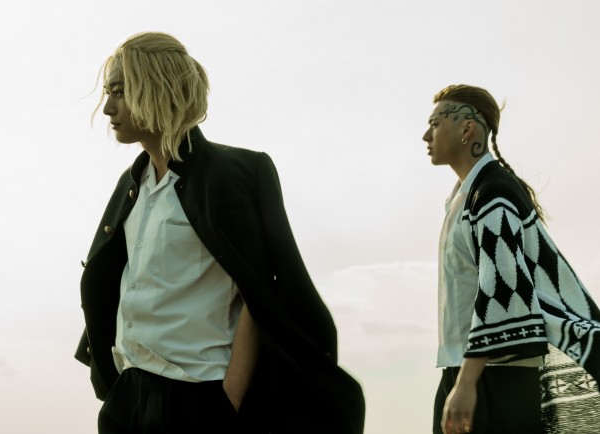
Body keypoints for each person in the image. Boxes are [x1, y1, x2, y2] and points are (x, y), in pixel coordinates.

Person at [73, 32, 365, 434]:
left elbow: (260, 290)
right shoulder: (131, 184)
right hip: (129, 395)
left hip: (199, 396)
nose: (108, 108)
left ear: (156, 88)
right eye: (108, 94)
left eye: (119, 92)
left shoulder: (235, 175)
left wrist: (232, 395)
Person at [422, 84, 600, 434]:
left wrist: (467, 383)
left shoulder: (492, 193)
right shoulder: (466, 195)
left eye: (435, 124)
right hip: (468, 370)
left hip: (495, 379)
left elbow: (501, 289)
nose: (426, 135)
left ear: (467, 129)